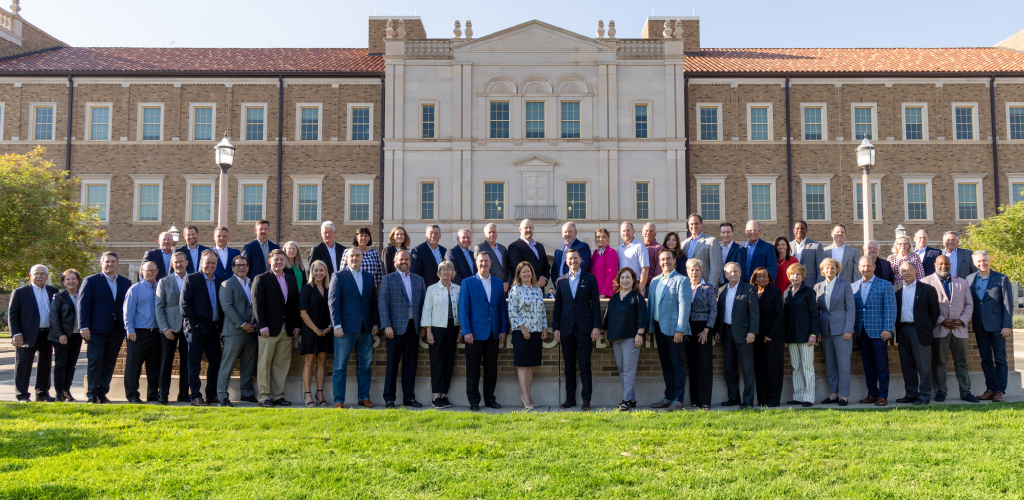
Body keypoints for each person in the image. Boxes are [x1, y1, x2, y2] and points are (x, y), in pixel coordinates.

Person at [921, 255, 978, 403]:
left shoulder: (962, 282)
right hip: (939, 329)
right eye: (940, 264)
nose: (943, 266)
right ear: (935, 264)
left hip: (960, 330)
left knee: (962, 362)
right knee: (940, 362)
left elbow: (969, 305)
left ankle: (965, 392)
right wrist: (941, 321)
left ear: (950, 264)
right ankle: (941, 391)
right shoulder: (926, 282)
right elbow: (925, 308)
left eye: (946, 264)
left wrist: (961, 320)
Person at [328, 247, 380, 409]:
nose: (355, 258)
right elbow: (333, 302)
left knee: (364, 366)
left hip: (366, 329)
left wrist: (376, 323)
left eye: (358, 255)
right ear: (347, 258)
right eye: (352, 256)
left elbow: (373, 302)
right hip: (344, 329)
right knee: (340, 366)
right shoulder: (338, 276)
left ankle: (364, 397)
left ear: (362, 258)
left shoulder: (368, 277)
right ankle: (338, 400)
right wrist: (336, 325)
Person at [78, 252, 131, 404]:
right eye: (107, 261)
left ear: (117, 264)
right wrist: (84, 326)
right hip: (96, 329)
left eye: (113, 261)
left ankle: (102, 393)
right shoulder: (91, 281)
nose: (110, 264)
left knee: (109, 362)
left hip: (117, 329)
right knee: (95, 361)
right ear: (101, 264)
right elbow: (83, 305)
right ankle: (92, 395)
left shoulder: (125, 283)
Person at [459, 252, 509, 411]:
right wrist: (466, 331)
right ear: (476, 263)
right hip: (473, 334)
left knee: (491, 368)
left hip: (494, 333)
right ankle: (473, 400)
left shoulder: (497, 282)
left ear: (490, 263)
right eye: (481, 261)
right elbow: (463, 309)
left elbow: (502, 308)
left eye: (486, 261)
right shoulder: (467, 282)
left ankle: (489, 399)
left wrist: (503, 329)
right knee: (473, 369)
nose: (484, 264)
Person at [252, 249, 302, 407]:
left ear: (285, 261)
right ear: (270, 261)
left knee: (281, 364)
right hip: (268, 329)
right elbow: (257, 305)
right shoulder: (261, 279)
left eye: (282, 259)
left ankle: (278, 396)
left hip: (286, 330)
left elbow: (294, 305)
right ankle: (264, 396)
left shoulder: (291, 280)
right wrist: (262, 326)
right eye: (276, 259)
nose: (279, 262)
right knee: (264, 363)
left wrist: (296, 325)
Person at [553, 249, 602, 411]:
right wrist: (556, 328)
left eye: (575, 258)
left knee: (585, 364)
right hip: (566, 328)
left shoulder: (590, 279)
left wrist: (596, 326)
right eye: (570, 259)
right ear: (566, 261)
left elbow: (595, 304)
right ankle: (570, 398)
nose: (573, 261)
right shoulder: (561, 281)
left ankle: (586, 399)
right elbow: (558, 306)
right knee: (568, 366)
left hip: (585, 328)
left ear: (580, 259)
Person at [379, 249, 426, 408]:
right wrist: (386, 325)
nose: (404, 262)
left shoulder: (419, 280)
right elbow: (383, 304)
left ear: (410, 262)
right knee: (392, 364)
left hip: (414, 328)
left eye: (406, 259)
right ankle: (389, 398)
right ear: (395, 262)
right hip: (394, 329)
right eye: (401, 260)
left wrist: (423, 326)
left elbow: (423, 305)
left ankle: (409, 397)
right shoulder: (388, 279)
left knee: (410, 364)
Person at [647, 249, 693, 411]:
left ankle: (679, 399)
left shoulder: (682, 280)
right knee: (666, 364)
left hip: (675, 330)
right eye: (662, 259)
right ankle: (669, 396)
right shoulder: (654, 282)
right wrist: (649, 328)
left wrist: (680, 330)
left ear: (674, 260)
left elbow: (685, 307)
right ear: (659, 262)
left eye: (668, 259)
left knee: (677, 364)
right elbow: (651, 306)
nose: (665, 262)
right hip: (659, 328)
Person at [966, 250, 1014, 403]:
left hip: (997, 326)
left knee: (1000, 359)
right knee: (986, 359)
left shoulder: (1001, 278)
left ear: (989, 260)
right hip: (979, 325)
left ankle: (1000, 390)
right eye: (979, 261)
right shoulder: (969, 279)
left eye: (984, 260)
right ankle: (990, 389)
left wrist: (1007, 325)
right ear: (974, 263)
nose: (982, 263)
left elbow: (1008, 305)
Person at [180, 250, 225, 406]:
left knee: (215, 361)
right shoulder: (191, 279)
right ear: (202, 262)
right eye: (208, 263)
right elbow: (184, 304)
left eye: (213, 263)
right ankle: (195, 396)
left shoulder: (220, 280)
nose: (210, 265)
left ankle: (211, 394)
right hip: (196, 329)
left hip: (213, 328)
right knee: (194, 363)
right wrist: (194, 324)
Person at [852, 256, 896, 407]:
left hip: (879, 332)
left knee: (881, 365)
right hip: (861, 332)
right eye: (863, 266)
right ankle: (872, 393)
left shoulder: (885, 285)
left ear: (874, 267)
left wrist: (888, 328)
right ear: (859, 268)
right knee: (868, 365)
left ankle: (883, 395)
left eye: (869, 266)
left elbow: (891, 308)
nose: (866, 268)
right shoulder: (854, 286)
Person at [9, 264, 58, 402]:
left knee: (45, 365)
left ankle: (42, 393)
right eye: (36, 273)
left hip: (47, 334)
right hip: (26, 335)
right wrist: (16, 333)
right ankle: (22, 395)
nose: (39, 276)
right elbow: (13, 315)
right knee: (23, 365)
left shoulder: (53, 291)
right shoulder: (19, 292)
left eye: (43, 274)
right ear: (30, 276)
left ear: (47, 276)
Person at [894, 261, 941, 405]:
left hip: (919, 331)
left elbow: (935, 313)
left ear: (915, 272)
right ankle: (911, 394)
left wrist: (926, 327)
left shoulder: (927, 289)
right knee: (907, 365)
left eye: (909, 270)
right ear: (900, 273)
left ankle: (925, 395)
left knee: (923, 366)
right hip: (902, 331)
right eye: (903, 271)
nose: (906, 273)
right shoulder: (896, 289)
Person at [716, 261, 760, 408]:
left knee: (747, 369)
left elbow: (755, 314)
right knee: (729, 368)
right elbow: (720, 313)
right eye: (729, 272)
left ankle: (747, 401)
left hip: (744, 334)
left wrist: (752, 331)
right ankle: (733, 398)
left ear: (740, 273)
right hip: (726, 333)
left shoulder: (749, 289)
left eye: (735, 271)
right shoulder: (721, 291)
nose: (732, 274)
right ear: (725, 274)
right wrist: (718, 330)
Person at [217, 255, 258, 407]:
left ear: (248, 267)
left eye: (244, 265)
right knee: (227, 365)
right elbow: (227, 307)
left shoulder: (253, 284)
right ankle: (222, 395)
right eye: (238, 265)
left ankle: (246, 393)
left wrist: (254, 324)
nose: (241, 267)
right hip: (234, 331)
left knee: (248, 364)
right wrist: (242, 324)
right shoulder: (227, 284)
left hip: (252, 331)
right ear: (232, 268)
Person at [603, 267, 647, 411]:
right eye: (622, 277)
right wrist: (607, 333)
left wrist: (639, 334)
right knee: (622, 368)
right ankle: (631, 398)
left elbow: (642, 316)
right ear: (618, 280)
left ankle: (626, 400)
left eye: (628, 277)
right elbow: (608, 316)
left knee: (629, 369)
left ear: (633, 279)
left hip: (631, 337)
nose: (625, 280)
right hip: (615, 337)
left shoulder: (637, 296)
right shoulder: (614, 297)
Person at [814, 257, 856, 406]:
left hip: (842, 330)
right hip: (825, 331)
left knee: (843, 364)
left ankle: (844, 396)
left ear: (837, 270)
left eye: (833, 268)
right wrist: (817, 330)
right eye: (827, 268)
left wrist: (848, 329)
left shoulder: (845, 286)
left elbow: (851, 309)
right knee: (830, 364)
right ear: (822, 270)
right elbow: (816, 311)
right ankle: (833, 394)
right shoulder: (818, 287)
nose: (830, 270)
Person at [507, 261, 547, 410]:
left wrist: (544, 327)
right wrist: (523, 328)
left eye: (528, 272)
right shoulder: (515, 289)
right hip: (522, 332)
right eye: (523, 272)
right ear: (519, 274)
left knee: (531, 365)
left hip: (536, 331)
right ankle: (524, 396)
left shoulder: (537, 289)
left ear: (532, 273)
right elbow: (512, 311)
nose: (526, 274)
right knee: (523, 365)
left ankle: (528, 397)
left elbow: (542, 310)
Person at [422, 260, 461, 409]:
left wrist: (460, 331)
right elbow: (427, 310)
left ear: (452, 272)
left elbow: (461, 311)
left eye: (449, 269)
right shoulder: (432, 289)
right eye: (443, 270)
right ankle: (435, 396)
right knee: (437, 362)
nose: (446, 272)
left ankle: (444, 395)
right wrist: (429, 332)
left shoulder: (458, 288)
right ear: (439, 273)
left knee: (449, 361)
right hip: (437, 328)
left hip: (453, 328)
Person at [155, 252, 192, 404]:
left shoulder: (194, 279)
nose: (179, 264)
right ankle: (163, 396)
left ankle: (184, 394)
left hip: (188, 328)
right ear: (172, 264)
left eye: (181, 262)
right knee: (165, 363)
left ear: (186, 263)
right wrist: (164, 328)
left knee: (187, 363)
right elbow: (159, 306)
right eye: (175, 262)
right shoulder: (164, 281)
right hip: (169, 329)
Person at [123, 261, 162, 404]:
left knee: (154, 366)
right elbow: (128, 312)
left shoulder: (160, 287)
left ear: (157, 271)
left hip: (157, 333)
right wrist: (130, 329)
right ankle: (132, 395)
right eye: (147, 270)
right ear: (142, 272)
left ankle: (153, 395)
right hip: (138, 333)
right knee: (134, 366)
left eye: (152, 270)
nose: (150, 272)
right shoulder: (135, 289)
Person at [782, 263, 820, 407]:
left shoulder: (808, 292)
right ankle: (797, 396)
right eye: (792, 274)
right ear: (789, 276)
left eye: (798, 274)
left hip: (806, 335)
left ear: (802, 276)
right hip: (791, 335)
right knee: (796, 366)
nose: (795, 276)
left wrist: (813, 334)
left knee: (807, 367)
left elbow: (814, 314)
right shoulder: (786, 292)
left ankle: (808, 397)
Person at [683, 259, 717, 410]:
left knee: (704, 365)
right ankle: (694, 399)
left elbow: (714, 310)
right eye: (691, 270)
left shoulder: (708, 287)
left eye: (697, 270)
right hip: (688, 329)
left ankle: (705, 401)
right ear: (687, 272)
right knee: (692, 364)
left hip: (703, 329)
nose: (694, 272)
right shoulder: (684, 287)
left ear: (701, 271)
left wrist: (707, 329)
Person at [299, 259, 333, 407]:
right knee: (310, 361)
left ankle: (320, 393)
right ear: (311, 272)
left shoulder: (329, 288)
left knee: (322, 361)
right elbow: (303, 313)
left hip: (325, 330)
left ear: (326, 272)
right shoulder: (307, 288)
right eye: (316, 270)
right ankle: (307, 394)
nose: (319, 273)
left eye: (322, 270)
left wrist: (330, 327)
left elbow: (334, 310)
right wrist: (315, 330)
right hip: (311, 329)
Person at [750, 267, 784, 407]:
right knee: (760, 369)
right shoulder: (751, 292)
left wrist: (770, 334)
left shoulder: (775, 292)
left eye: (764, 276)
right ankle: (762, 399)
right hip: (757, 337)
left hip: (773, 336)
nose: (761, 279)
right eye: (758, 276)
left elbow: (779, 315)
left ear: (769, 278)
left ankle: (773, 400)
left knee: (774, 369)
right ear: (754, 279)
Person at [48, 269, 82, 402]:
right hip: (62, 336)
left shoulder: (82, 296)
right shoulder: (59, 297)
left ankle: (66, 390)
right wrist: (60, 334)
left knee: (71, 364)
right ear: (63, 282)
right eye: (67, 279)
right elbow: (54, 318)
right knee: (61, 364)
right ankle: (58, 393)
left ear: (78, 281)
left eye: (73, 279)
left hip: (77, 336)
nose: (71, 281)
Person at [680, 214, 722, 287]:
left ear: (701, 224)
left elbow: (715, 269)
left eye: (696, 223)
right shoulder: (684, 244)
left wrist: (710, 288)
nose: (694, 226)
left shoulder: (711, 241)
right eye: (691, 224)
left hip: (704, 286)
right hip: (688, 286)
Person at [508, 219, 550, 289]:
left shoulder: (540, 246)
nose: (528, 230)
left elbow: (546, 265)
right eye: (526, 228)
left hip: (539, 289)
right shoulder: (514, 247)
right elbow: (517, 268)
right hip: (523, 289)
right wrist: (538, 279)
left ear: (533, 229)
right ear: (520, 229)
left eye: (530, 227)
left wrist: (545, 279)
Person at [411, 224, 448, 289]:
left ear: (440, 235)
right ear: (426, 234)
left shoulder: (444, 251)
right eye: (431, 233)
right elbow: (414, 274)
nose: (433, 235)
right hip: (426, 290)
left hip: (443, 288)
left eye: (436, 233)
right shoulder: (418, 250)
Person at [617, 221, 650, 292]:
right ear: (620, 233)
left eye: (628, 230)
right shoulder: (619, 249)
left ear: (633, 231)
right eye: (623, 231)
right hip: (622, 285)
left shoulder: (640, 246)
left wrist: (641, 288)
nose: (626, 233)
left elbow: (645, 269)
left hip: (636, 285)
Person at [791, 220, 826, 285]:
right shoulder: (789, 246)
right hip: (792, 285)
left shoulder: (816, 246)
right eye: (797, 228)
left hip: (810, 285)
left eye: (802, 228)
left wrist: (818, 286)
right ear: (794, 230)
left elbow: (821, 268)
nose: (800, 230)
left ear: (806, 230)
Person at [591, 228, 618, 297]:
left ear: (607, 239)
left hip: (605, 293)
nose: (601, 239)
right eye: (598, 237)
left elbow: (612, 273)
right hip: (595, 290)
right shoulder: (595, 253)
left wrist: (605, 292)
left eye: (604, 237)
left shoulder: (611, 252)